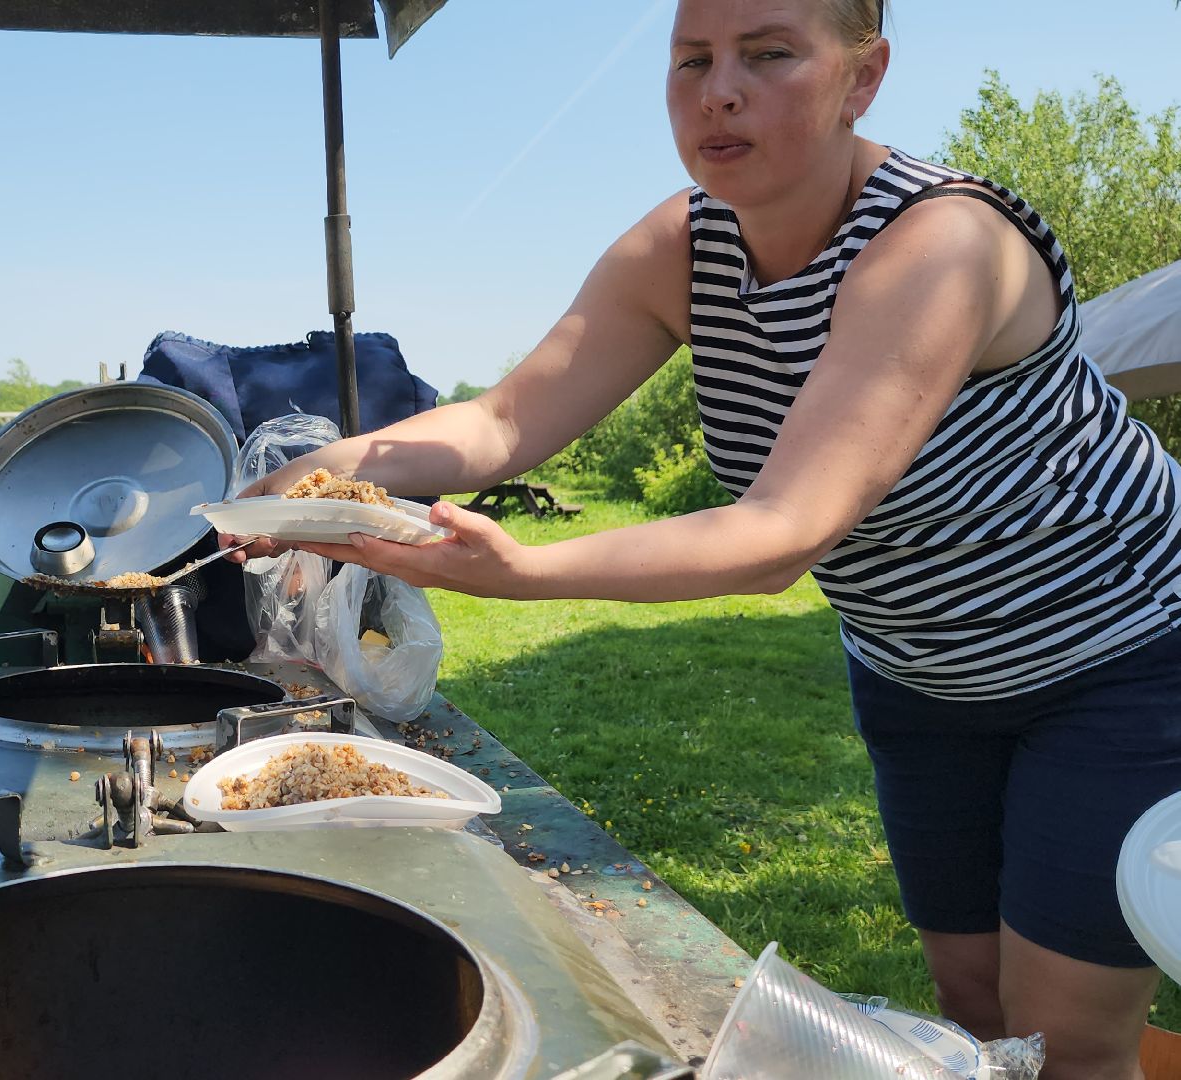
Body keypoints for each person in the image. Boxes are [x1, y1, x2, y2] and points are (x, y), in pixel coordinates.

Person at [224, 3, 1178, 1076]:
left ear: (862, 79)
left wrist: (524, 572)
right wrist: (339, 470)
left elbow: (781, 533)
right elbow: (500, 422)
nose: (717, 90)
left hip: (1118, 656)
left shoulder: (943, 242)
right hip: (919, 673)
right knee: (970, 997)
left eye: (768, 54)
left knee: (1064, 1037)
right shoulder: (677, 245)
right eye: (692, 61)